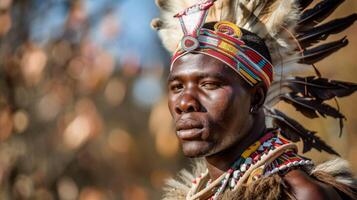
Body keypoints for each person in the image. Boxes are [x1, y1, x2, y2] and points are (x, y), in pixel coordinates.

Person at [151, 0, 357, 199]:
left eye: (209, 84)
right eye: (177, 87)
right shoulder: (199, 194)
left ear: (256, 98)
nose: (184, 102)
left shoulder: (298, 194)